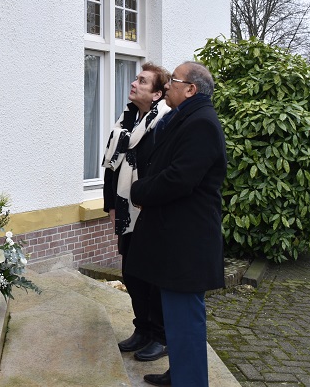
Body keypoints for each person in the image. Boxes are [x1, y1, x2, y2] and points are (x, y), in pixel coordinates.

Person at [126, 61, 227, 387]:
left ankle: (191, 381)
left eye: (174, 81)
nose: (167, 86)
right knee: (176, 317)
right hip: (175, 239)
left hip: (187, 242)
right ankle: (180, 374)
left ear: (191, 89)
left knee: (186, 319)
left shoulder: (202, 124)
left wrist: (139, 190)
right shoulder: (184, 119)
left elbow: (178, 179)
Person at [102, 62, 172, 362]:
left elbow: (161, 171)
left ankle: (160, 335)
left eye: (142, 81)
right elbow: (112, 167)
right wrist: (111, 205)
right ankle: (141, 328)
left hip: (149, 212)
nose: (134, 83)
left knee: (152, 276)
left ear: (157, 94)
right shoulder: (128, 118)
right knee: (131, 273)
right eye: (135, 79)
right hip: (127, 210)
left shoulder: (164, 123)